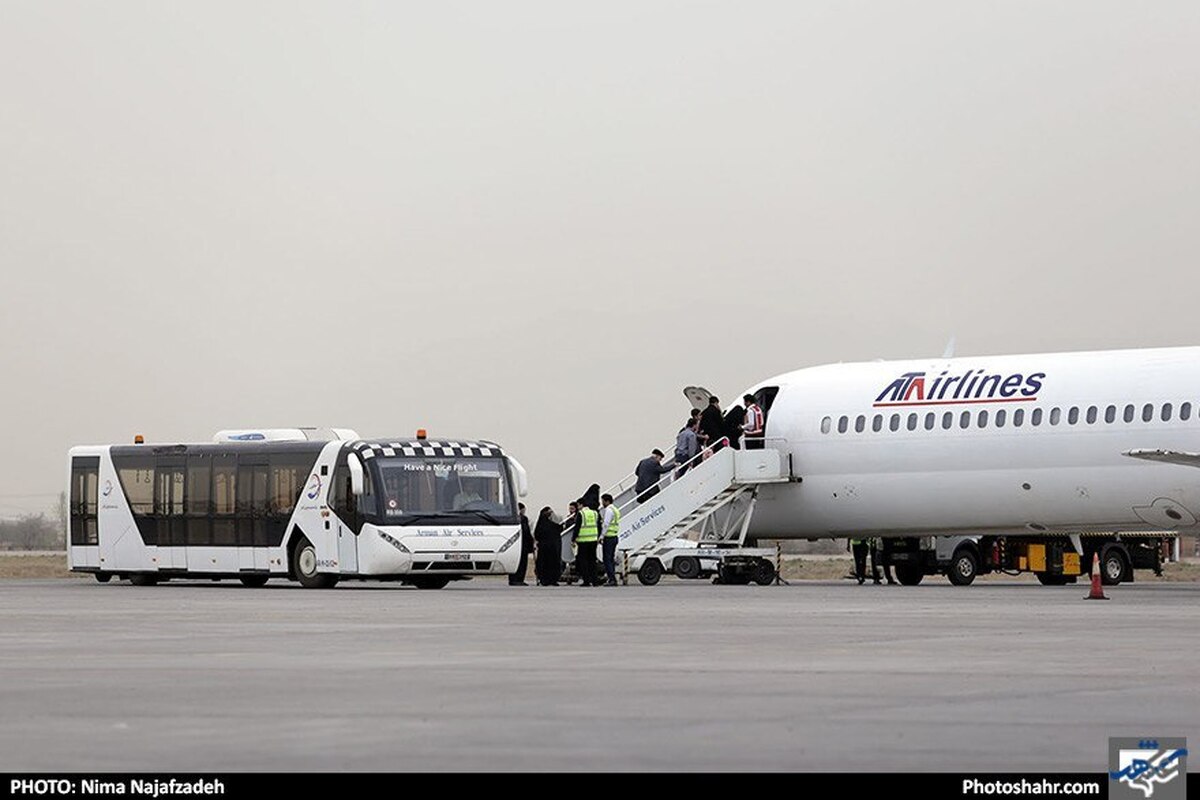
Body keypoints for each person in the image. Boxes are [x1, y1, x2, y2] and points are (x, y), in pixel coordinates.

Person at [572, 500, 601, 587]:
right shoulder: (595, 513)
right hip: (593, 540)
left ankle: (586, 581)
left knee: (583, 561)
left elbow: (577, 527)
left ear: (581, 505)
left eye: (578, 505)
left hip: (583, 541)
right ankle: (595, 581)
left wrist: (573, 538)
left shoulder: (581, 514)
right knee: (592, 561)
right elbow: (599, 525)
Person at [533, 506, 561, 585]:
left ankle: (543, 579)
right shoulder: (552, 525)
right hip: (552, 548)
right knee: (552, 564)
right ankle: (552, 580)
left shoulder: (540, 525)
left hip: (543, 548)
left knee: (543, 564)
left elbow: (537, 535)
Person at [509, 503, 534, 586]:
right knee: (521, 563)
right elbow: (526, 532)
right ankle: (518, 579)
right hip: (523, 544)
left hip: (515, 544)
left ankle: (513, 579)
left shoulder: (511, 517)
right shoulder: (523, 519)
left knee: (516, 562)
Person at [600, 493, 621, 586]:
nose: (602, 503)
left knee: (607, 559)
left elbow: (606, 524)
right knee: (611, 559)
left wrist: (601, 536)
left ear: (607, 501)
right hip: (614, 536)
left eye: (603, 501)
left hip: (608, 537)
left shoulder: (609, 510)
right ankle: (612, 579)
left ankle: (612, 579)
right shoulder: (616, 510)